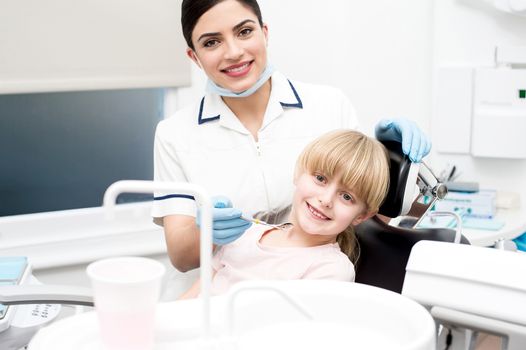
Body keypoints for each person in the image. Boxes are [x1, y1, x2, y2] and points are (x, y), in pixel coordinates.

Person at [152, 0, 431, 272]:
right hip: (217, 297)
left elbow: (363, 217)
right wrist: (208, 231)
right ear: (194, 57)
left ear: (264, 32)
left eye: (244, 31)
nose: (234, 52)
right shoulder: (174, 134)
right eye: (212, 42)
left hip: (310, 287)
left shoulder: (330, 106)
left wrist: (390, 160)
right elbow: (181, 257)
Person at [179, 129, 390, 298]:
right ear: (298, 173)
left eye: (346, 197)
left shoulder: (331, 270)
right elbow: (191, 299)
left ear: (361, 216)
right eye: (320, 178)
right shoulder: (245, 234)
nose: (326, 200)